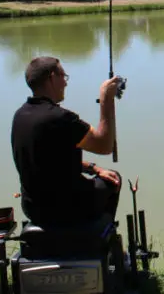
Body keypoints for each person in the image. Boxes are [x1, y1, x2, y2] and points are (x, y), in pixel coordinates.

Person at [11, 56, 123, 227]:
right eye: (63, 76)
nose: (65, 83)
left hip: (32, 208)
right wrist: (106, 98)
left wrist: (94, 168)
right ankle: (99, 236)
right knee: (114, 180)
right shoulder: (60, 118)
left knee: (100, 176)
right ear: (51, 78)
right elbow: (105, 145)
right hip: (66, 208)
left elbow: (49, 160)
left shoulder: (20, 115)